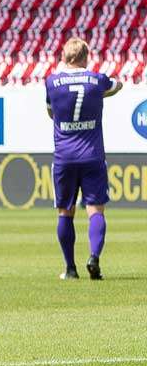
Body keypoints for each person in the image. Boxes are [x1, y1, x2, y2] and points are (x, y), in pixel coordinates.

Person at [45, 37, 123, 280]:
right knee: (95, 210)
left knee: (65, 212)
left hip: (64, 157)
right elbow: (117, 85)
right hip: (92, 156)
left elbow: (50, 112)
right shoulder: (96, 79)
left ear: (64, 57)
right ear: (85, 56)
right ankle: (94, 257)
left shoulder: (51, 82)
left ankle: (70, 268)